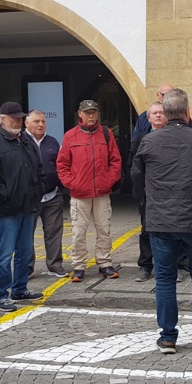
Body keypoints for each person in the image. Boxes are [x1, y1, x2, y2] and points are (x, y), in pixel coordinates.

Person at [132, 88, 192, 354]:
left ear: (166, 112)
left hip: (162, 220)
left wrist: (148, 202)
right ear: (187, 113)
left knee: (164, 278)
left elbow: (136, 181)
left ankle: (168, 337)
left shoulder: (148, 142)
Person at [0, 102, 45, 312]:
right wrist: (5, 194)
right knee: (5, 254)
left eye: (20, 117)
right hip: (7, 209)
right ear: (2, 119)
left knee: (25, 252)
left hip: (28, 206)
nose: (17, 121)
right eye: (13, 117)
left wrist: (38, 190)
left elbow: (38, 168)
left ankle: (20, 288)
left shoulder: (25, 140)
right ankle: (0, 295)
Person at [57, 99, 123, 282]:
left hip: (102, 192)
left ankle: (104, 263)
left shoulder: (106, 134)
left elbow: (116, 161)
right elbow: (62, 164)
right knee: (79, 232)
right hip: (79, 194)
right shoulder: (70, 136)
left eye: (94, 112)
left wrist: (108, 181)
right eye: (87, 112)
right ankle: (78, 266)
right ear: (80, 114)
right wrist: (73, 183)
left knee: (104, 230)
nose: (91, 116)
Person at [25, 109, 66, 278]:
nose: (41, 124)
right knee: (26, 234)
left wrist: (61, 185)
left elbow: (61, 165)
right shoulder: (20, 142)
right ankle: (27, 267)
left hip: (52, 196)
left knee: (54, 232)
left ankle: (55, 265)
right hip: (29, 198)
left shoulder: (52, 142)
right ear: (26, 123)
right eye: (36, 121)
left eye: (43, 121)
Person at [132, 101, 167, 282]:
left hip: (169, 192)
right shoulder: (141, 139)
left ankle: (177, 266)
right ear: (148, 118)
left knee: (172, 230)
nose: (158, 115)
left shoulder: (172, 137)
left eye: (161, 112)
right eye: (155, 113)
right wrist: (140, 192)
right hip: (148, 193)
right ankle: (145, 266)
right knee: (146, 230)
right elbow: (135, 167)